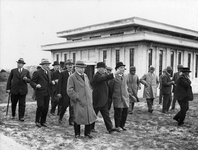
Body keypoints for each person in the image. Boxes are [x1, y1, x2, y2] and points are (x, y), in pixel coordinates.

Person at [67, 60, 97, 138]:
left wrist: (90, 93)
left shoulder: (86, 76)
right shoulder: (72, 77)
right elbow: (69, 90)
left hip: (87, 100)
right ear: (76, 68)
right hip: (78, 101)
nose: (83, 69)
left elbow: (88, 86)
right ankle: (77, 133)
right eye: (81, 68)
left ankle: (87, 133)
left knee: (88, 116)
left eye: (84, 68)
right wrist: (76, 97)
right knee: (78, 117)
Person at [91, 62, 119, 134]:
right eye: (103, 68)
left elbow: (106, 79)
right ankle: (90, 128)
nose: (104, 70)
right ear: (99, 69)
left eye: (104, 68)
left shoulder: (103, 75)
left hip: (104, 99)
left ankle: (110, 128)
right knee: (94, 115)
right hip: (97, 99)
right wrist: (114, 74)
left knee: (106, 115)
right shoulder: (96, 76)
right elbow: (104, 78)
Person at [30, 58, 51, 127]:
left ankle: (43, 121)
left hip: (47, 93)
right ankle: (37, 121)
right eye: (46, 65)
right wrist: (36, 85)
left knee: (46, 108)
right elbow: (32, 82)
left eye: (48, 65)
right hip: (40, 93)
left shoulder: (49, 72)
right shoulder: (37, 72)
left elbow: (49, 82)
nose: (47, 66)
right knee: (41, 106)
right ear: (42, 65)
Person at [109, 62, 129, 131]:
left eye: (123, 68)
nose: (122, 70)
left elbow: (127, 85)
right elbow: (110, 88)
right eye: (120, 68)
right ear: (117, 69)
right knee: (118, 112)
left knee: (125, 112)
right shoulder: (113, 78)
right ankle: (117, 126)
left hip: (125, 97)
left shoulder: (126, 76)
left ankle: (122, 125)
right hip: (117, 97)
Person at [57, 59, 74, 125]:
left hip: (72, 93)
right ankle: (60, 117)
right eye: (69, 65)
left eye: (71, 65)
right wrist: (59, 92)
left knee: (72, 107)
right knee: (64, 106)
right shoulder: (63, 73)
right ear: (66, 66)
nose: (70, 66)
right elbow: (59, 83)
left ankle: (71, 120)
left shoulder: (75, 73)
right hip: (65, 93)